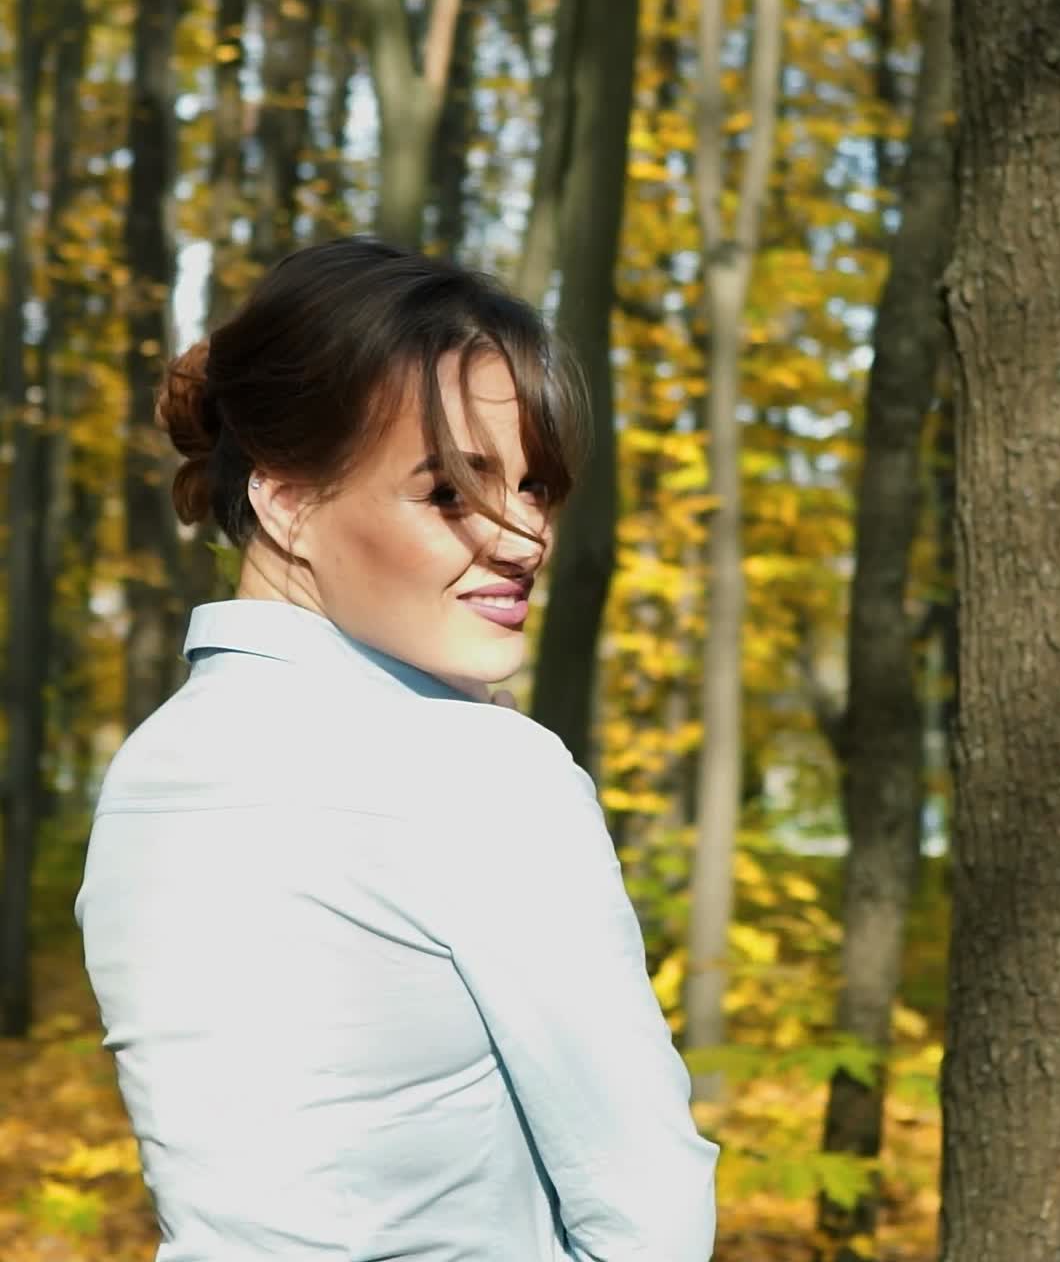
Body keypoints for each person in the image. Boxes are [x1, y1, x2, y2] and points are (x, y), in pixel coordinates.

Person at [73, 237, 719, 1262]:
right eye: (450, 492)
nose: (522, 535)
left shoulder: (147, 775)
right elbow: (651, 1218)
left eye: (535, 484)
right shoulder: (480, 772)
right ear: (286, 500)